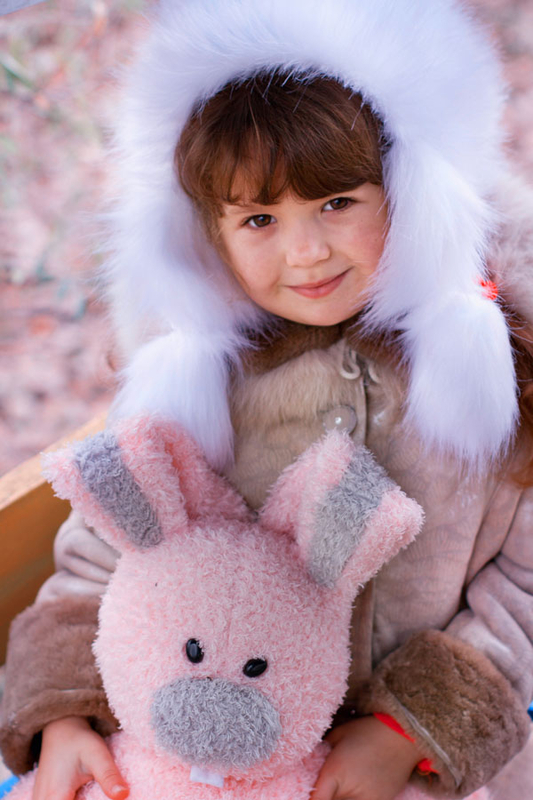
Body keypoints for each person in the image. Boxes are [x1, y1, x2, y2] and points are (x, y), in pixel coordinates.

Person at [1, 1, 533, 799]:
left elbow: (524, 582)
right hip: (200, 762)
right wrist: (64, 714)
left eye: (336, 202)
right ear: (208, 233)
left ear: (407, 187)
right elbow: (107, 554)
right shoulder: (193, 380)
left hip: (413, 769)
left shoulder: (492, 360)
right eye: (259, 218)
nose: (306, 252)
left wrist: (409, 730)